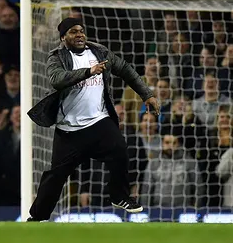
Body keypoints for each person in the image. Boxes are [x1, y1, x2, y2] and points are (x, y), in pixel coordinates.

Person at [26, 18, 160, 221]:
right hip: (69, 129)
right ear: (63, 38)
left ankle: (119, 196)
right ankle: (37, 217)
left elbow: (125, 70)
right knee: (56, 176)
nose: (79, 34)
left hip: (98, 121)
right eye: (73, 32)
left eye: (81, 30)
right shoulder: (57, 57)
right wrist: (88, 72)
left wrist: (146, 94)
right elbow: (57, 79)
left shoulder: (100, 52)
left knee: (120, 151)